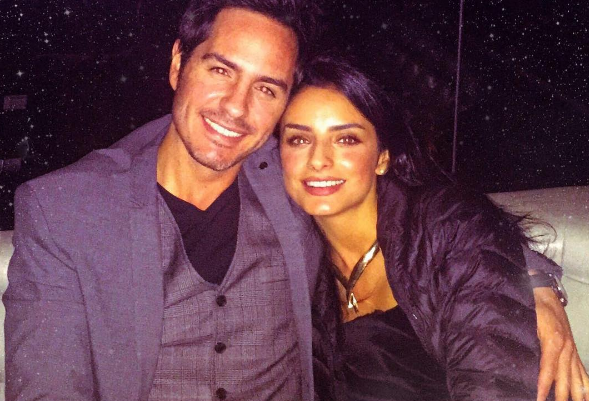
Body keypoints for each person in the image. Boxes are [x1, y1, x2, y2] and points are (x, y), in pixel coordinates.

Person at [2, 1, 584, 400]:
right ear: (178, 63)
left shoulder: (289, 175)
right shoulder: (67, 210)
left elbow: (429, 211)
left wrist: (535, 284)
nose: (236, 108)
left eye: (267, 88)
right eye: (221, 70)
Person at [278, 56, 589, 401]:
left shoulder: (447, 227)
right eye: (298, 140)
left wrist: (537, 282)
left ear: (382, 157)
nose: (318, 160)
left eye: (346, 139)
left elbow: (493, 378)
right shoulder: (289, 257)